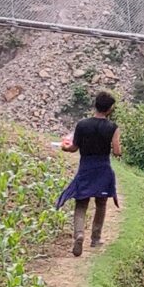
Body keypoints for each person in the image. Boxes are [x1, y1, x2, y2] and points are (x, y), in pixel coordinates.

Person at [57, 91, 121, 256]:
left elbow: (73, 148)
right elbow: (117, 151)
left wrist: (64, 147)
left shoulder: (82, 125)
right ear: (109, 110)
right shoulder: (112, 128)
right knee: (101, 203)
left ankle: (79, 234)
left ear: (95, 105)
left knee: (81, 204)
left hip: (85, 167)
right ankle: (95, 238)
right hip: (103, 168)